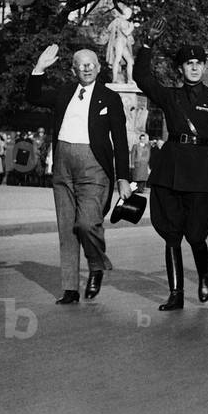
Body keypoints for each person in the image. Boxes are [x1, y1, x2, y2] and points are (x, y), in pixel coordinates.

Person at [133, 22, 208, 311]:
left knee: (196, 235)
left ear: (204, 67)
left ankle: (204, 273)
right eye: (188, 63)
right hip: (171, 169)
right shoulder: (171, 96)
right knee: (171, 233)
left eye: (198, 63)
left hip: (201, 171)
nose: (194, 68)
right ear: (181, 68)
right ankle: (176, 293)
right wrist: (148, 46)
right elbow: (141, 77)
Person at [25, 45, 132, 304]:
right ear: (74, 69)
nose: (86, 67)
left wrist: (123, 178)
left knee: (86, 223)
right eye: (80, 64)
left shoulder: (110, 98)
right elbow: (33, 97)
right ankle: (70, 289)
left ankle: (96, 265)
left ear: (98, 67)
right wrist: (39, 68)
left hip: (94, 166)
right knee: (66, 228)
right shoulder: (64, 94)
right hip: (63, 165)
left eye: (91, 63)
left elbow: (119, 140)